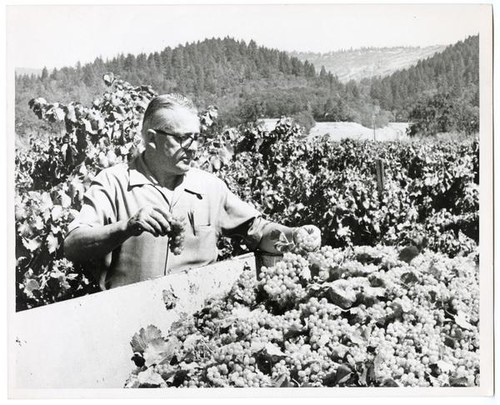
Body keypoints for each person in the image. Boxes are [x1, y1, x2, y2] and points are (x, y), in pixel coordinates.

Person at [64, 94, 321, 290]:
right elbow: (73, 246)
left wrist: (294, 235)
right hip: (129, 320)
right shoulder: (113, 182)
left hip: (195, 321)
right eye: (183, 139)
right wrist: (126, 227)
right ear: (152, 138)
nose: (193, 148)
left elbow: (260, 231)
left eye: (196, 138)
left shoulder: (210, 187)